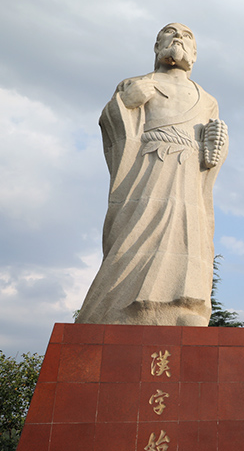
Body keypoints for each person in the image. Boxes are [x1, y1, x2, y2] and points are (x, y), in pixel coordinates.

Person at [76, 23, 228, 327]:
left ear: (194, 55)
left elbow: (210, 155)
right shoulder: (135, 83)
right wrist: (127, 102)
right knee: (136, 231)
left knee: (188, 236)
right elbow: (112, 123)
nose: (178, 39)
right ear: (157, 46)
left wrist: (216, 145)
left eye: (186, 37)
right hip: (149, 166)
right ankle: (118, 306)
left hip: (187, 172)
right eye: (170, 34)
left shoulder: (208, 100)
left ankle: (185, 304)